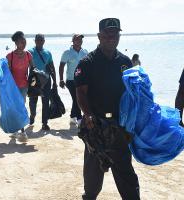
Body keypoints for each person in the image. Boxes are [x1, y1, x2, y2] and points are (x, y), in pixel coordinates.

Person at [74, 18, 140, 200]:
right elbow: (80, 92)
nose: (112, 37)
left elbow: (133, 94)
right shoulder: (87, 63)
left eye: (115, 33)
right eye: (107, 33)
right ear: (99, 36)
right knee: (92, 183)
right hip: (95, 128)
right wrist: (88, 115)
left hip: (120, 127)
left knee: (127, 178)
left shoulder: (125, 62)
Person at [6, 31, 34, 142]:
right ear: (16, 43)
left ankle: (19, 131)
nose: (24, 42)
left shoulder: (28, 54)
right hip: (13, 87)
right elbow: (6, 73)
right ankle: (20, 132)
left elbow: (33, 69)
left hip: (24, 85)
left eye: (24, 40)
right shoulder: (10, 56)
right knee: (16, 107)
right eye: (21, 41)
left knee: (20, 107)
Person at [28, 34, 57, 130]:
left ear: (44, 41)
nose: (40, 41)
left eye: (41, 40)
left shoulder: (48, 53)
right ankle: (32, 115)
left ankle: (45, 123)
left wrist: (55, 81)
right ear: (35, 41)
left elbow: (52, 67)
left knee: (45, 102)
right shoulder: (30, 52)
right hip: (34, 79)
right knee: (33, 100)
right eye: (38, 40)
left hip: (46, 80)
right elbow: (25, 67)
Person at [59, 34, 88, 126]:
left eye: (81, 39)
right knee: (76, 99)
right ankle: (79, 119)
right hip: (71, 80)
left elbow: (89, 66)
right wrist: (61, 79)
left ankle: (72, 116)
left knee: (77, 99)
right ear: (73, 41)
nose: (79, 41)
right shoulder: (67, 52)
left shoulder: (85, 52)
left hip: (83, 80)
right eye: (77, 39)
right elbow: (61, 66)